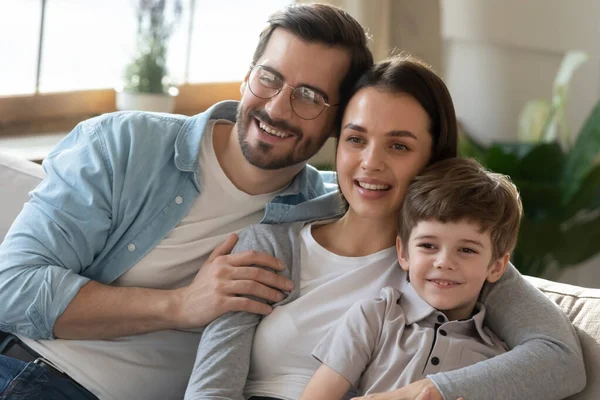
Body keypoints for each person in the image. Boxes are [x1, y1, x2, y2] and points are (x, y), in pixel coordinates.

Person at [0, 4, 374, 400]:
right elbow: (12, 289)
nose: (277, 108)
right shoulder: (123, 145)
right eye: (269, 79)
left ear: (339, 121)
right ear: (246, 77)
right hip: (33, 375)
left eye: (309, 97)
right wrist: (180, 304)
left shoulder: (328, 211)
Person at [183, 56, 585, 400]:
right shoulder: (270, 244)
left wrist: (425, 391)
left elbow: (560, 358)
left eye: (399, 146)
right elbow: (211, 388)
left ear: (434, 159)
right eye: (356, 139)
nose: (370, 163)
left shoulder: (449, 261)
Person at [300, 157, 522, 400]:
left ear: (497, 266)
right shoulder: (375, 318)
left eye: (467, 250)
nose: (443, 262)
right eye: (428, 245)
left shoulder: (498, 359)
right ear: (403, 252)